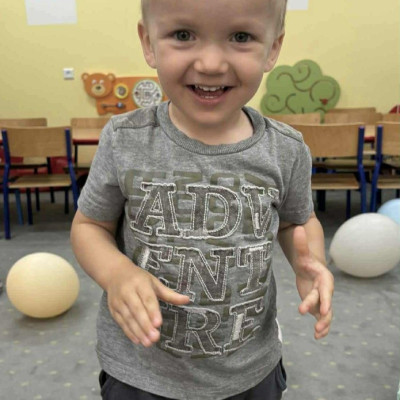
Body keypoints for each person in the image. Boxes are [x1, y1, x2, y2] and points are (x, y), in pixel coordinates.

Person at [70, 0, 334, 399]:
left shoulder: (286, 150)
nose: (211, 64)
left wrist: (309, 262)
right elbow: (90, 226)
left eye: (241, 37)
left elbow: (296, 221)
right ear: (149, 42)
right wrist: (116, 273)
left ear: (273, 49)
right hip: (141, 371)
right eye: (183, 35)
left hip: (249, 369)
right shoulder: (125, 139)